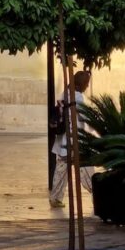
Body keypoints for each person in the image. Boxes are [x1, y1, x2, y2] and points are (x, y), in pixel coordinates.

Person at [49, 68, 94, 208]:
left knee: (61, 170)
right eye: (86, 84)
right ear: (81, 84)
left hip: (62, 140)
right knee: (86, 169)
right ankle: (98, 194)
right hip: (74, 140)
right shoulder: (78, 97)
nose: (87, 86)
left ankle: (55, 198)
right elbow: (83, 118)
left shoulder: (65, 93)